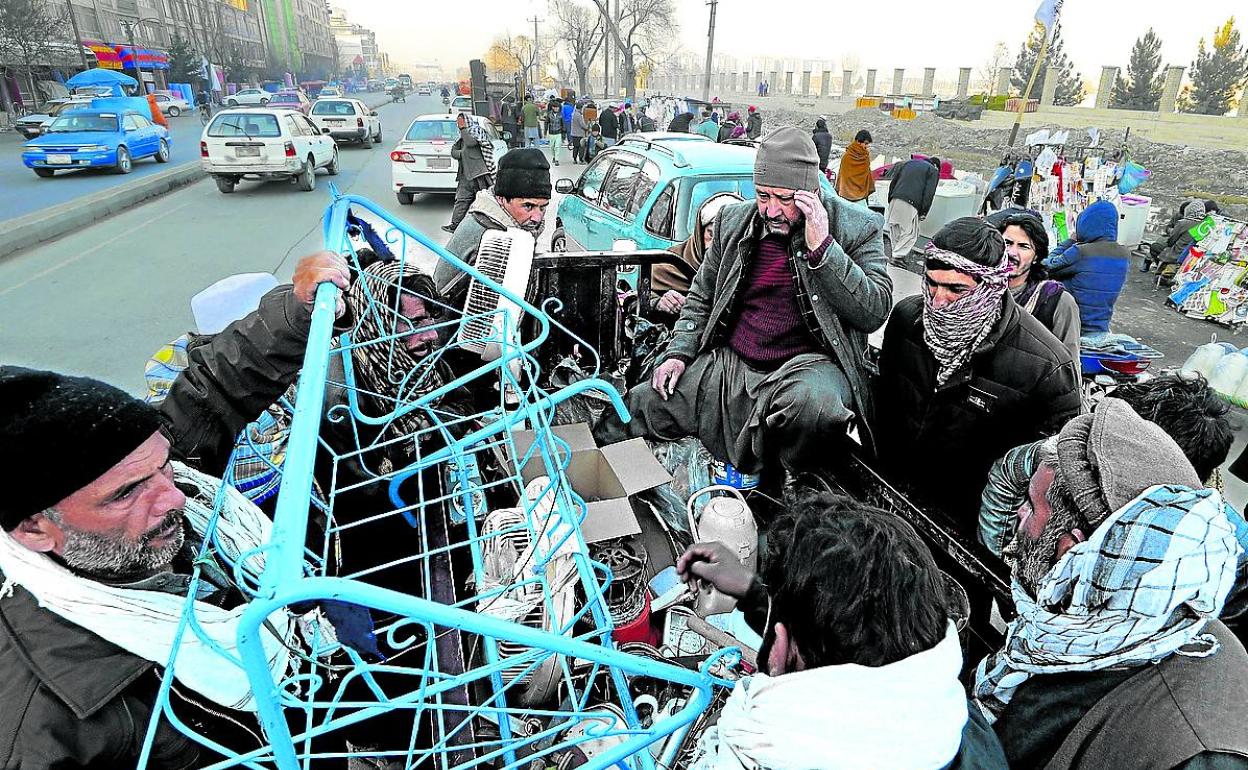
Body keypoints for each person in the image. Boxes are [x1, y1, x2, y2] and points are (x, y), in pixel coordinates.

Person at [0, 254, 352, 769]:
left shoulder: (137, 485)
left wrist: (295, 309)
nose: (175, 497)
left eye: (166, 468)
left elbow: (213, 392)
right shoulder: (42, 724)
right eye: (125, 495)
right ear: (34, 529)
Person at [593, 127, 891, 475]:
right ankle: (589, 472)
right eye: (763, 196)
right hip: (729, 364)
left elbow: (874, 311)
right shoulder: (734, 222)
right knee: (645, 402)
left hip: (803, 368)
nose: (772, 210)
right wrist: (678, 353)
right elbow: (702, 296)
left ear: (811, 192)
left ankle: (792, 480)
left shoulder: (858, 227)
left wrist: (823, 249)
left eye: (784, 199)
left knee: (818, 406)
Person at [974, 398, 1248, 770]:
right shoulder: (1084, 618)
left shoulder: (1195, 753)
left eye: (1032, 504)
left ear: (1074, 550)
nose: (1019, 512)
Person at [679, 492, 1008, 769]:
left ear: (778, 651)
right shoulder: (955, 721)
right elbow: (860, 631)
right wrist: (755, 593)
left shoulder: (759, 746)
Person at [873, 217, 1082, 529]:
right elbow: (884, 409)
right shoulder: (907, 320)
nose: (938, 300)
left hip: (970, 530)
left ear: (992, 286)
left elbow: (1050, 474)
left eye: (956, 289)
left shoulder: (1047, 368)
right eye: (931, 282)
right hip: (891, 502)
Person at [978, 371, 1236, 557]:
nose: (1096, 446)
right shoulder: (1069, 453)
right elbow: (1010, 470)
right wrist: (996, 557)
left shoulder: (1219, 546)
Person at [440, 148, 553, 311]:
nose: (538, 217)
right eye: (528, 206)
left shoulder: (508, 223)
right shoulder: (492, 236)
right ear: (501, 199)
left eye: (542, 208)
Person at [998, 212, 1080, 361]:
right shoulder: (977, 292)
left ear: (1036, 257)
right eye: (1007, 243)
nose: (1011, 252)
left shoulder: (1056, 301)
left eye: (1023, 246)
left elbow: (1069, 364)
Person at [1042, 199, 1131, 336]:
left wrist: (1070, 241)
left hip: (1072, 325)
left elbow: (1047, 266)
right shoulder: (1124, 254)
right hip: (1101, 327)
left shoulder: (1081, 252)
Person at [651, 192, 744, 319]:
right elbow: (636, 300)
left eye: (723, 238)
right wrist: (658, 302)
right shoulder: (671, 261)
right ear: (700, 232)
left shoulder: (748, 267)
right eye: (710, 234)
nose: (714, 245)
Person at [443, 112, 496, 234]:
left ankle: (488, 225)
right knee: (461, 200)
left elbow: (471, 143)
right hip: (465, 175)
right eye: (458, 122)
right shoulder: (461, 135)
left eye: (461, 121)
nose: (458, 124)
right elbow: (454, 151)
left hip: (479, 173)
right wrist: (462, 154)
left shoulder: (476, 131)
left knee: (484, 200)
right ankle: (455, 225)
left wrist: (463, 129)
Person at [885, 155, 939, 262]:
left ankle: (895, 253)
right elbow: (929, 193)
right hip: (911, 202)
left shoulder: (908, 163)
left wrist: (890, 198)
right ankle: (897, 257)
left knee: (895, 228)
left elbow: (894, 181)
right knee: (911, 233)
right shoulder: (932, 170)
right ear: (936, 165)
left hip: (895, 198)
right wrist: (923, 211)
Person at [1145, 199, 1208, 279]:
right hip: (1195, 256)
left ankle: (1164, 268)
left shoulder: (1183, 223)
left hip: (1178, 255)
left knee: (1155, 246)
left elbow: (1171, 241)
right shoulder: (1206, 224)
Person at [835, 129, 874, 206]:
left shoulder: (865, 157)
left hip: (861, 196)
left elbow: (866, 176)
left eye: (868, 144)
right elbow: (843, 176)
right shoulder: (847, 157)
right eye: (865, 143)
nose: (866, 146)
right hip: (847, 196)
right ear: (858, 142)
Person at [545, 98, 563, 166]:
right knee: (552, 147)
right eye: (555, 107)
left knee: (557, 146)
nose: (556, 109)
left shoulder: (560, 115)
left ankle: (557, 159)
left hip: (558, 133)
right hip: (551, 133)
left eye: (557, 107)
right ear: (553, 108)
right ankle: (554, 156)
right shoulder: (549, 114)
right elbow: (546, 123)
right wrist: (545, 131)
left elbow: (562, 123)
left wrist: (563, 133)